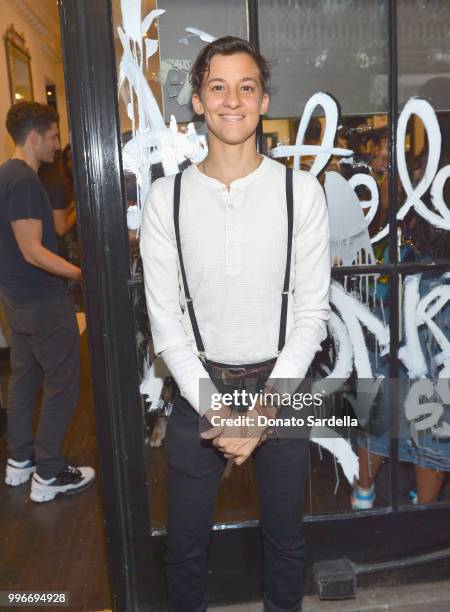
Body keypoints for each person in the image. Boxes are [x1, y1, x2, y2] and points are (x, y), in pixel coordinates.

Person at [140, 37, 331, 611]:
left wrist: (264, 410)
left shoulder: (301, 193)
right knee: (185, 549)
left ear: (264, 99)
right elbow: (165, 322)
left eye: (245, 87)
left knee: (285, 544)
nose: (231, 100)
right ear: (197, 101)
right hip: (199, 389)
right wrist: (219, 410)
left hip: (282, 384)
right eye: (217, 87)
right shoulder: (165, 198)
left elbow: (311, 317)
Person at [0, 101, 95, 502]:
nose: (58, 144)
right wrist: (79, 274)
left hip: (16, 299)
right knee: (62, 387)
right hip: (39, 301)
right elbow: (32, 250)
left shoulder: (7, 174)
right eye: (53, 135)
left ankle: (20, 462)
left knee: (24, 379)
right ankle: (50, 474)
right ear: (35, 136)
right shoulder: (23, 180)